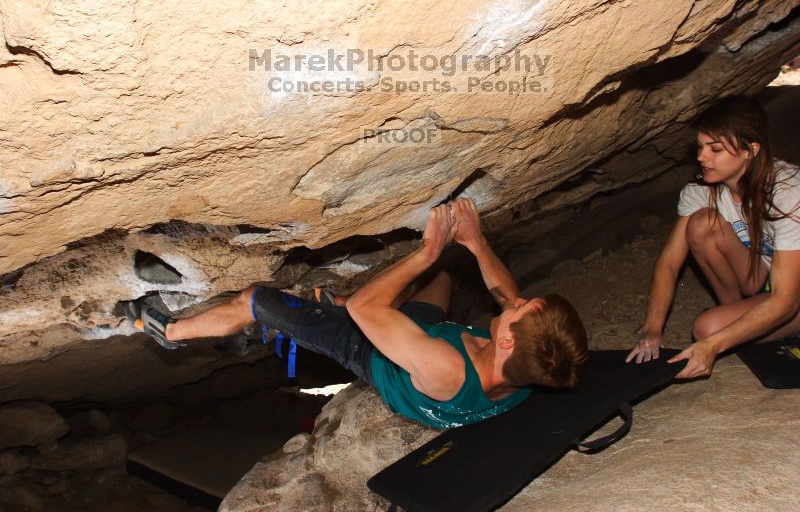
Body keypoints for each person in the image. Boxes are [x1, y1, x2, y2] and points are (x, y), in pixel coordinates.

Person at [128, 198, 588, 428]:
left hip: (372, 352)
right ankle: (336, 307)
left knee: (255, 299)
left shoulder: (446, 368)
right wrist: (475, 241)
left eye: (520, 310)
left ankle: (170, 329)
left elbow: (373, 307)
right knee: (444, 281)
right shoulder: (530, 366)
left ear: (506, 341)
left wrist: (428, 251)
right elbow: (508, 297)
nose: (515, 300)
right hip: (429, 333)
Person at [627, 95, 800, 379]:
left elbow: (787, 300)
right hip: (766, 276)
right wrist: (652, 330)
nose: (701, 157)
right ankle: (739, 315)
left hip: (793, 294)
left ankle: (747, 325)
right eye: (700, 146)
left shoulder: (787, 191)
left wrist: (713, 345)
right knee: (701, 224)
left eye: (715, 149)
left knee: (708, 331)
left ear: (750, 150)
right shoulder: (702, 192)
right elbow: (669, 262)